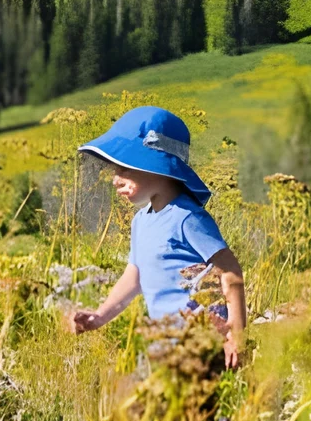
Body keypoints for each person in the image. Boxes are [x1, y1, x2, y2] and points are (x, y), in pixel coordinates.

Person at [66, 105, 249, 368]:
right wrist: (99, 317)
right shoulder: (141, 221)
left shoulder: (187, 217)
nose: (115, 180)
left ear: (158, 167)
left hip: (203, 345)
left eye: (124, 168)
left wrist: (236, 334)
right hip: (164, 347)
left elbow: (230, 272)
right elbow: (135, 276)